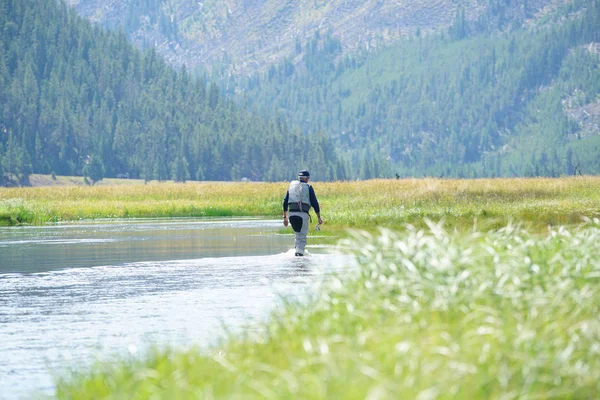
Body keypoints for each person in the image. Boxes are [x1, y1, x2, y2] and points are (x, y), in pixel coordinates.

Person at [282, 170, 323, 256]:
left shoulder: (291, 187)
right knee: (302, 237)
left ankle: (297, 254)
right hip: (302, 215)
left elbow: (285, 202)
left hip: (291, 216)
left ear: (299, 178)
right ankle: (299, 260)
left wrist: (285, 218)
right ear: (307, 178)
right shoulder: (308, 187)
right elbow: (315, 203)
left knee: (298, 236)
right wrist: (319, 217)